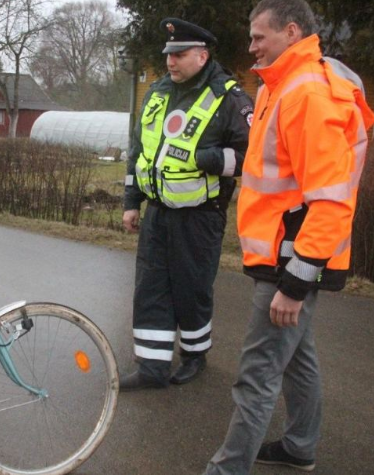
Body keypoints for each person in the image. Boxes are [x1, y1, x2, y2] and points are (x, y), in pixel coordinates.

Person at [205, 0, 374, 473]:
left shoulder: (306, 94)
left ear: (291, 31)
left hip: (291, 262)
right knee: (297, 359)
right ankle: (300, 446)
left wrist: (295, 283)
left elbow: (331, 199)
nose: (251, 46)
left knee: (257, 374)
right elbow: (276, 174)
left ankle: (226, 470)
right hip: (283, 254)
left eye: (260, 36)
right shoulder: (280, 87)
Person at [120, 18, 254, 391]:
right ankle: (152, 367)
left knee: (191, 289)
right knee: (150, 288)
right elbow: (139, 153)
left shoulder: (229, 97)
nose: (170, 62)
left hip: (200, 217)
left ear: (202, 55)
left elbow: (252, 157)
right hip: (158, 213)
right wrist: (132, 202)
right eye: (168, 55)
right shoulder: (158, 92)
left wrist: (211, 159)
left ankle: (195, 355)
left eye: (179, 55)